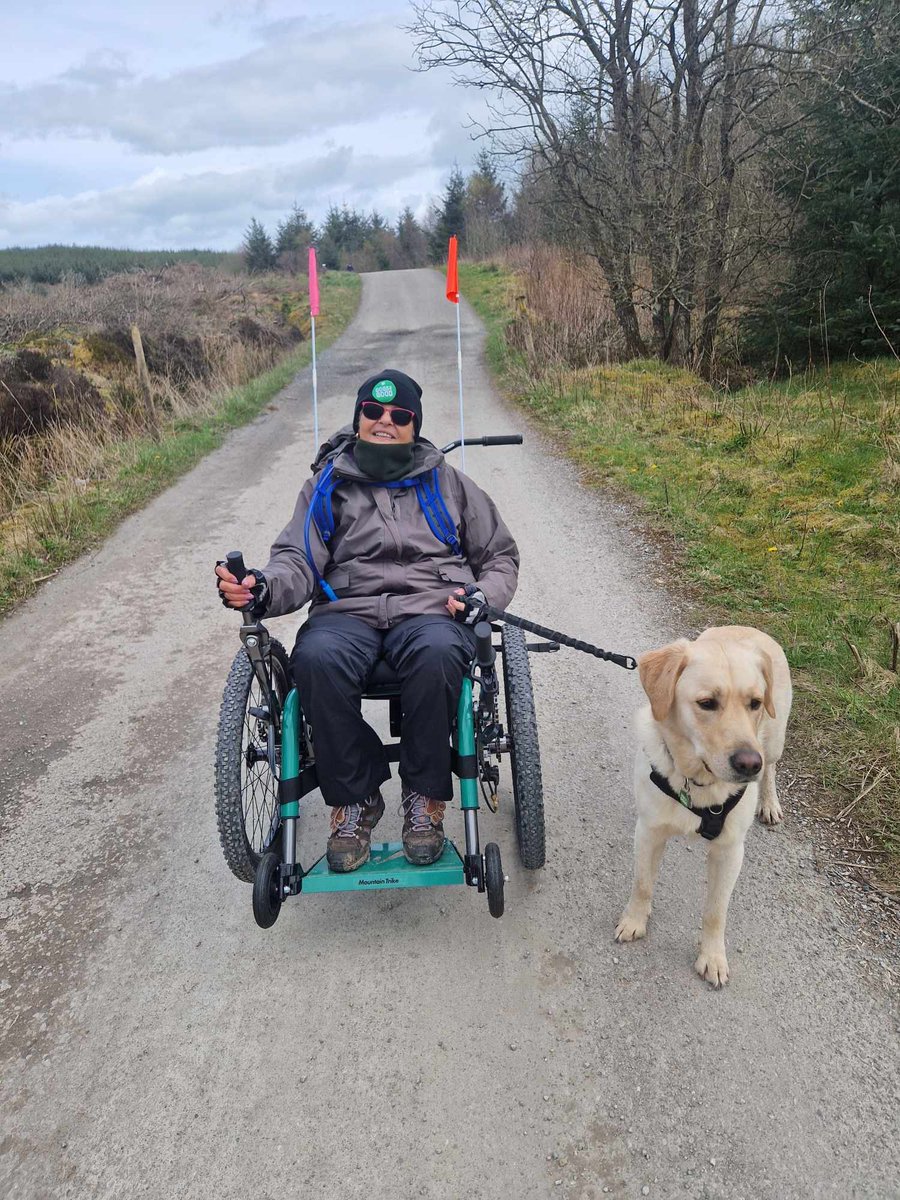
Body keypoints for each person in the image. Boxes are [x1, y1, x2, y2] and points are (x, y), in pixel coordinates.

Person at [215, 369, 519, 872]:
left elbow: (499, 557)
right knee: (313, 658)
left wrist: (482, 596)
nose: (384, 421)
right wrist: (262, 587)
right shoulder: (326, 487)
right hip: (347, 610)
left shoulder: (449, 483)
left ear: (414, 426)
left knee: (439, 654)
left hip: (428, 609)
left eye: (399, 416)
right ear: (358, 419)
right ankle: (356, 797)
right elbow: (297, 559)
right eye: (373, 412)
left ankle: (424, 800)